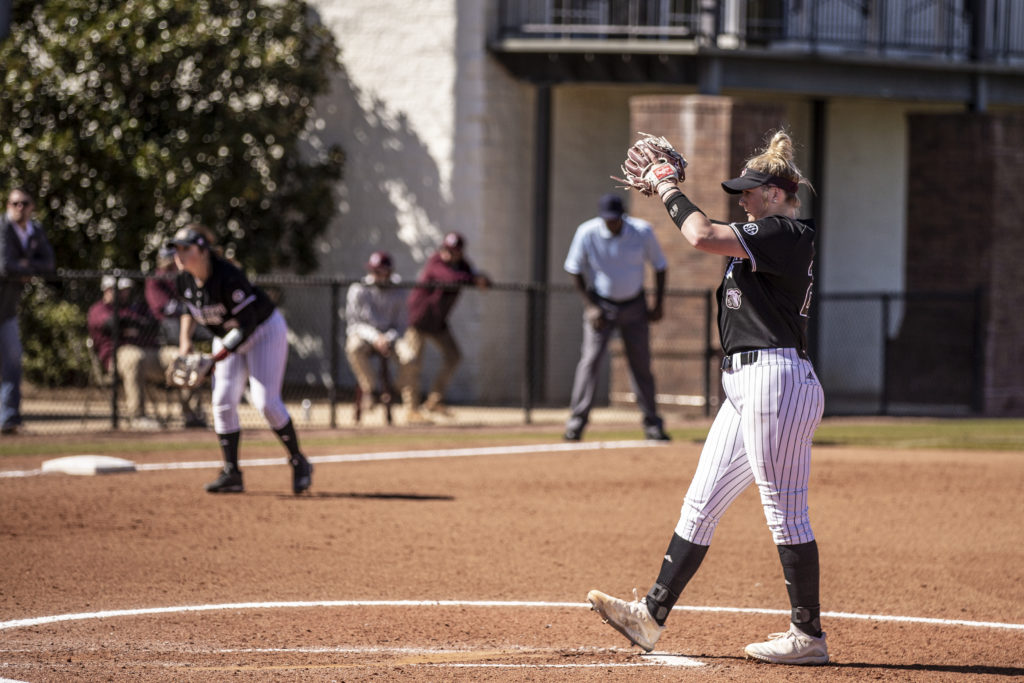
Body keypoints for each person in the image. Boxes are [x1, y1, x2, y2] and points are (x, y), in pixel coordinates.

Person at [586, 130, 828, 665]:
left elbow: (698, 235)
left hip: (777, 378)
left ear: (777, 192)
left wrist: (669, 186)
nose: (742, 197)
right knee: (700, 504)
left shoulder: (788, 232)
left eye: (750, 190)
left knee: (785, 512)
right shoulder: (761, 232)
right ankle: (650, 616)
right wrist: (673, 190)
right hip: (746, 384)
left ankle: (807, 635)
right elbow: (709, 234)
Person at [167, 224, 312, 494]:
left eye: (185, 248)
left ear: (202, 249)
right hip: (227, 337)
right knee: (222, 401)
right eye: (176, 249)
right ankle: (231, 473)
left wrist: (214, 358)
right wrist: (185, 344)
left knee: (265, 401)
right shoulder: (183, 279)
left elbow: (247, 325)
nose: (179, 255)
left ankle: (299, 461)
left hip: (263, 331)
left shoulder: (228, 276)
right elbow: (189, 311)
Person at [562, 193, 671, 442]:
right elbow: (574, 269)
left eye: (615, 219)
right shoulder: (587, 232)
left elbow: (660, 265)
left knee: (641, 365)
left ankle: (652, 424)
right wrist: (590, 307)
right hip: (601, 305)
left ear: (623, 215)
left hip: (635, 306)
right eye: (607, 219)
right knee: (589, 362)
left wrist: (658, 304)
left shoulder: (642, 231)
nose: (611, 224)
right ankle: (576, 423)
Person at [397, 231, 490, 422]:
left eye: (453, 251)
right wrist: (473, 279)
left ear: (460, 252)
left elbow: (481, 279)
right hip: (420, 320)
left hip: (438, 322)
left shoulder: (462, 266)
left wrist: (481, 279)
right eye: (446, 249)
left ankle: (434, 400)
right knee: (413, 363)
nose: (448, 253)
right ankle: (411, 410)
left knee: (454, 356)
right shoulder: (436, 263)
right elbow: (449, 279)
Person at [0, 187, 55, 435]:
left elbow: (49, 263)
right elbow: (5, 266)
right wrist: (24, 269)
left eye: (24, 203)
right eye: (14, 203)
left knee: (13, 362)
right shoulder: (2, 228)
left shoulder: (35, 231)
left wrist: (24, 267)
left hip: (7, 310)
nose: (18, 207)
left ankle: (9, 419)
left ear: (32, 206)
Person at [87, 276, 174, 430]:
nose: (124, 294)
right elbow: (111, 324)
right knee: (133, 357)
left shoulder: (132, 307)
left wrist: (131, 324)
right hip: (117, 357)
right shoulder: (98, 309)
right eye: (119, 291)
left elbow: (152, 324)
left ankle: (192, 414)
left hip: (148, 352)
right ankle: (137, 417)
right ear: (107, 290)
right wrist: (131, 324)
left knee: (178, 356)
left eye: (126, 290)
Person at [145, 246, 207, 427]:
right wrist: (184, 309)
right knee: (183, 360)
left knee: (190, 359)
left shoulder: (183, 278)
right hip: (160, 346)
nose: (173, 268)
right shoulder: (156, 279)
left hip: (178, 342)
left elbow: (191, 306)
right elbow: (164, 308)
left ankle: (193, 415)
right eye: (169, 265)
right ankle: (190, 413)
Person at [345, 250, 405, 416]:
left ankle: (393, 391)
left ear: (389, 272)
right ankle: (372, 390)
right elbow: (354, 324)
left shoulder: (399, 291)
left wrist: (387, 338)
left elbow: (402, 325)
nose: (376, 275)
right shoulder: (358, 289)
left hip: (391, 337)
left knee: (411, 356)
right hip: (365, 337)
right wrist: (375, 337)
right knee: (353, 347)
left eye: (380, 271)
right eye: (373, 271)